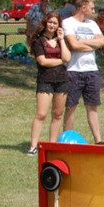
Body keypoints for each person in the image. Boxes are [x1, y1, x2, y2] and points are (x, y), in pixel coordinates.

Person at [62, 0, 104, 144]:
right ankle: (66, 139)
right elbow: (73, 45)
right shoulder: (68, 23)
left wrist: (82, 42)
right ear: (83, 8)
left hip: (91, 70)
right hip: (73, 70)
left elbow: (102, 42)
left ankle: (99, 141)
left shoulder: (92, 24)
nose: (94, 11)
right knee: (71, 106)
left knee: (92, 106)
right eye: (92, 8)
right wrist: (90, 43)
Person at [28, 11, 71, 154]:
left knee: (58, 114)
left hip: (62, 80)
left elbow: (67, 56)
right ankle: (33, 146)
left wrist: (61, 39)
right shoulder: (38, 41)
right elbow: (42, 61)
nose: (52, 25)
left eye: (55, 23)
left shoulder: (60, 40)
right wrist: (60, 61)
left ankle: (52, 145)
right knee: (41, 114)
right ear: (45, 23)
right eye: (50, 22)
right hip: (45, 80)